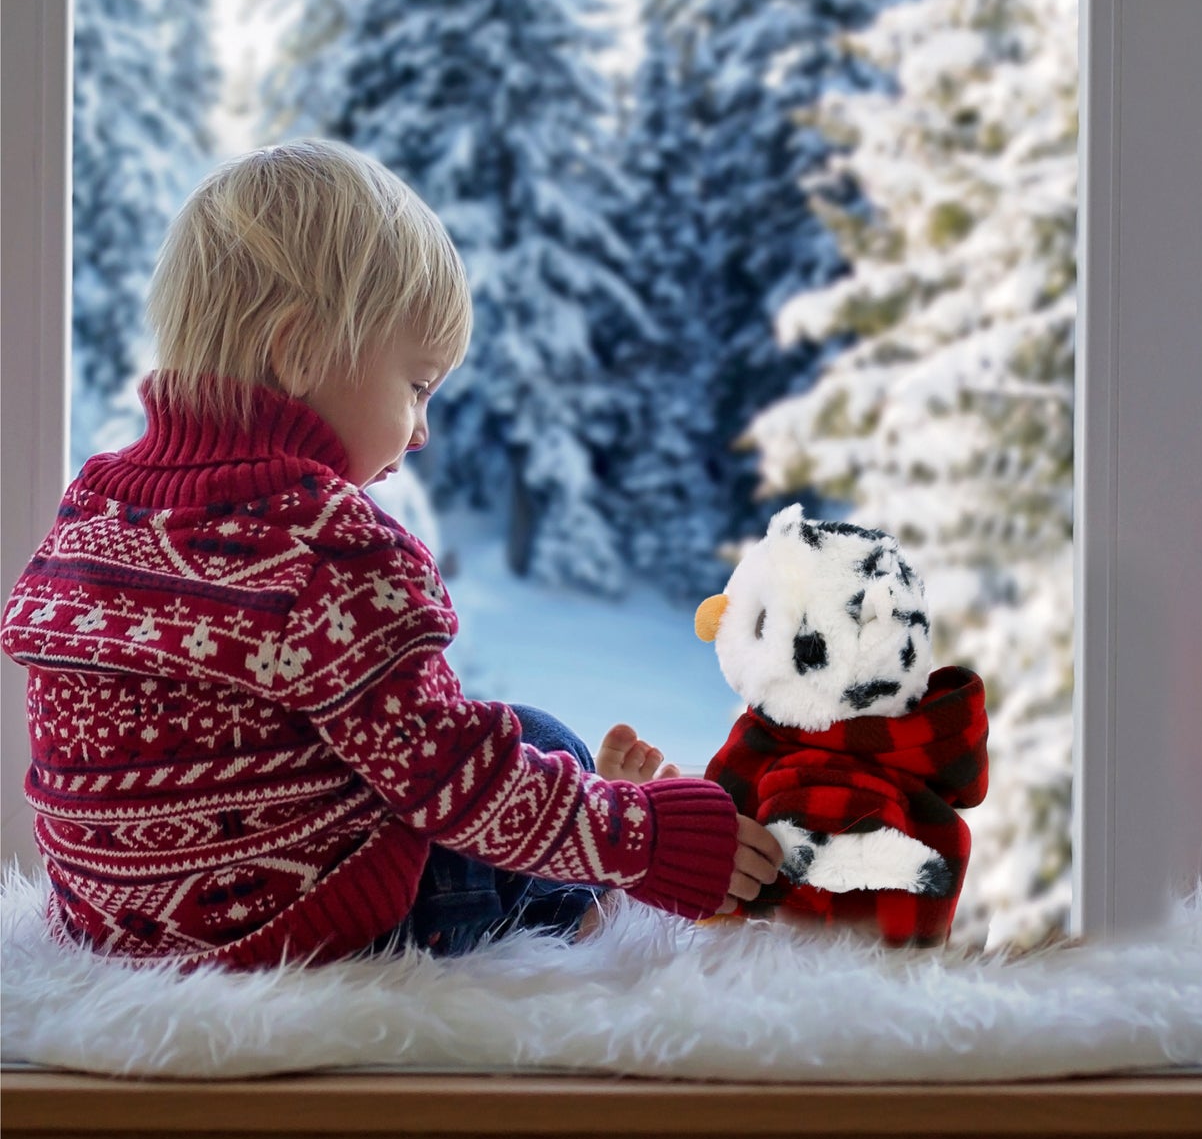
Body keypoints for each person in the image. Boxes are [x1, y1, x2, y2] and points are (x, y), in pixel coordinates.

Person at [1, 140, 780, 967]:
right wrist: (651, 841)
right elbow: (454, 781)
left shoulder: (94, 505)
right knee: (538, 739)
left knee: (460, 743)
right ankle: (584, 893)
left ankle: (585, 832)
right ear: (297, 351)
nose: (420, 431)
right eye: (415, 386)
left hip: (108, 923)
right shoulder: (332, 547)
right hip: (305, 925)